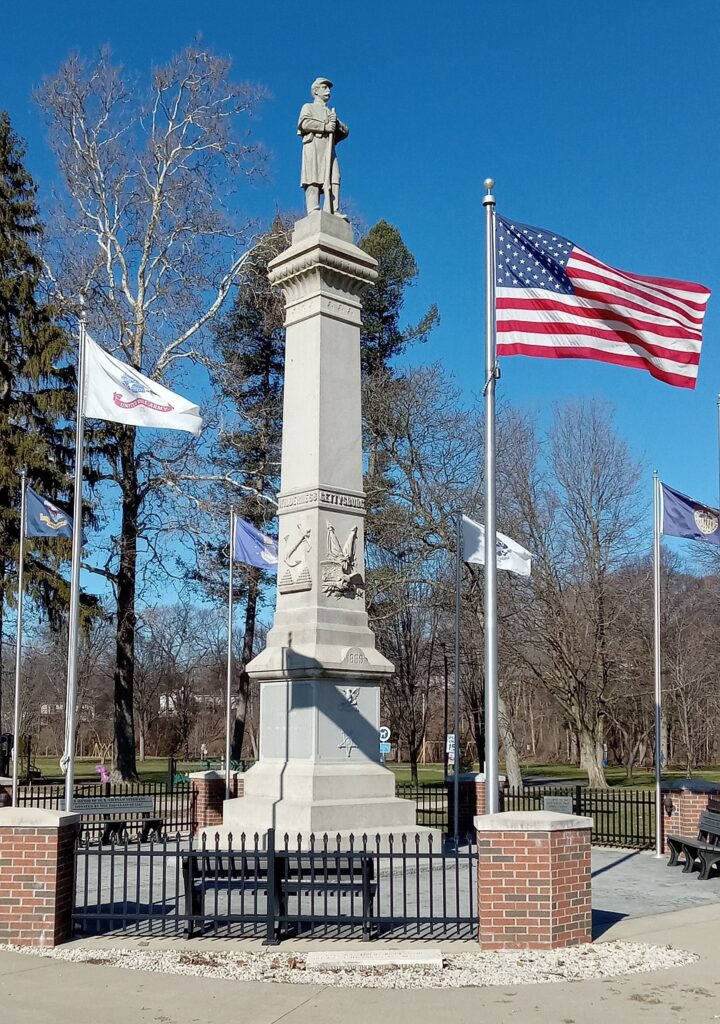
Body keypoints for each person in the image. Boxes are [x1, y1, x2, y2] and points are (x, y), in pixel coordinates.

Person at [297, 77, 349, 217]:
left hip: (328, 149)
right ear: (315, 90)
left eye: (329, 88)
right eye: (324, 87)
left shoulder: (331, 113)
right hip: (314, 146)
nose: (328, 91)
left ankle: (334, 209)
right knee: (312, 177)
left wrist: (335, 124)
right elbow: (304, 124)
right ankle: (313, 209)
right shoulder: (308, 107)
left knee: (334, 176)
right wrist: (324, 127)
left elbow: (345, 131)